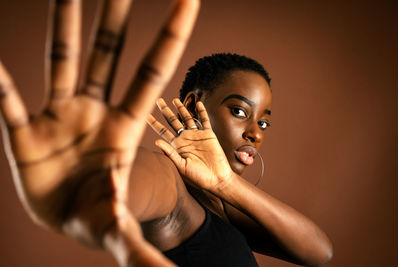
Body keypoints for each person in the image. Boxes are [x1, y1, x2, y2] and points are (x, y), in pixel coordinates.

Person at [0, 0, 333, 266]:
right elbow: (142, 183)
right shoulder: (169, 181)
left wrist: (226, 184)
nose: (254, 134)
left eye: (262, 122)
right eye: (239, 111)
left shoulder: (220, 204)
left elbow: (318, 252)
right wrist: (95, 182)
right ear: (192, 104)